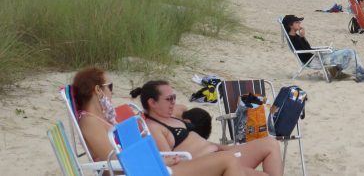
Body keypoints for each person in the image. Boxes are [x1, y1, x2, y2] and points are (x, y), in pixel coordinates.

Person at [71, 67, 246, 176]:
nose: (111, 92)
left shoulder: (99, 119)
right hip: (147, 171)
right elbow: (115, 161)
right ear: (98, 90)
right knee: (227, 160)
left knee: (227, 161)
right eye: (109, 87)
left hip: (149, 168)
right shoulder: (89, 122)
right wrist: (159, 161)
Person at [132, 81, 283, 176]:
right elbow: (172, 161)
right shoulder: (154, 127)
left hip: (221, 154)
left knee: (270, 143)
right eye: (169, 99)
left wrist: (229, 148)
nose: (173, 102)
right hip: (207, 166)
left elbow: (182, 107)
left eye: (174, 98)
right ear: (152, 102)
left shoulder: (171, 116)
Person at [283, 15, 364, 82]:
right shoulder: (294, 38)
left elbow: (307, 48)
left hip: (316, 57)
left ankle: (354, 73)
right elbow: (306, 51)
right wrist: (302, 37)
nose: (300, 24)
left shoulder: (295, 36)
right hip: (315, 61)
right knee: (350, 52)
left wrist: (303, 37)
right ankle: (362, 75)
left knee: (338, 50)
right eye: (297, 22)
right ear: (290, 25)